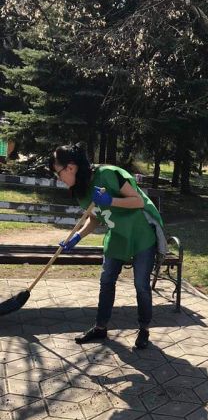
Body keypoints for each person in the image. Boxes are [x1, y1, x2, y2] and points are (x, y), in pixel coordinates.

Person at [49, 143, 165, 349]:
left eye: (58, 173)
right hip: (117, 237)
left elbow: (137, 201)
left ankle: (144, 329)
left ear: (71, 167)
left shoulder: (109, 174)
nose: (59, 179)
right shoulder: (80, 191)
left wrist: (109, 199)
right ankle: (100, 328)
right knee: (106, 280)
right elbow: (94, 218)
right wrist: (76, 237)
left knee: (141, 285)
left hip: (140, 236)